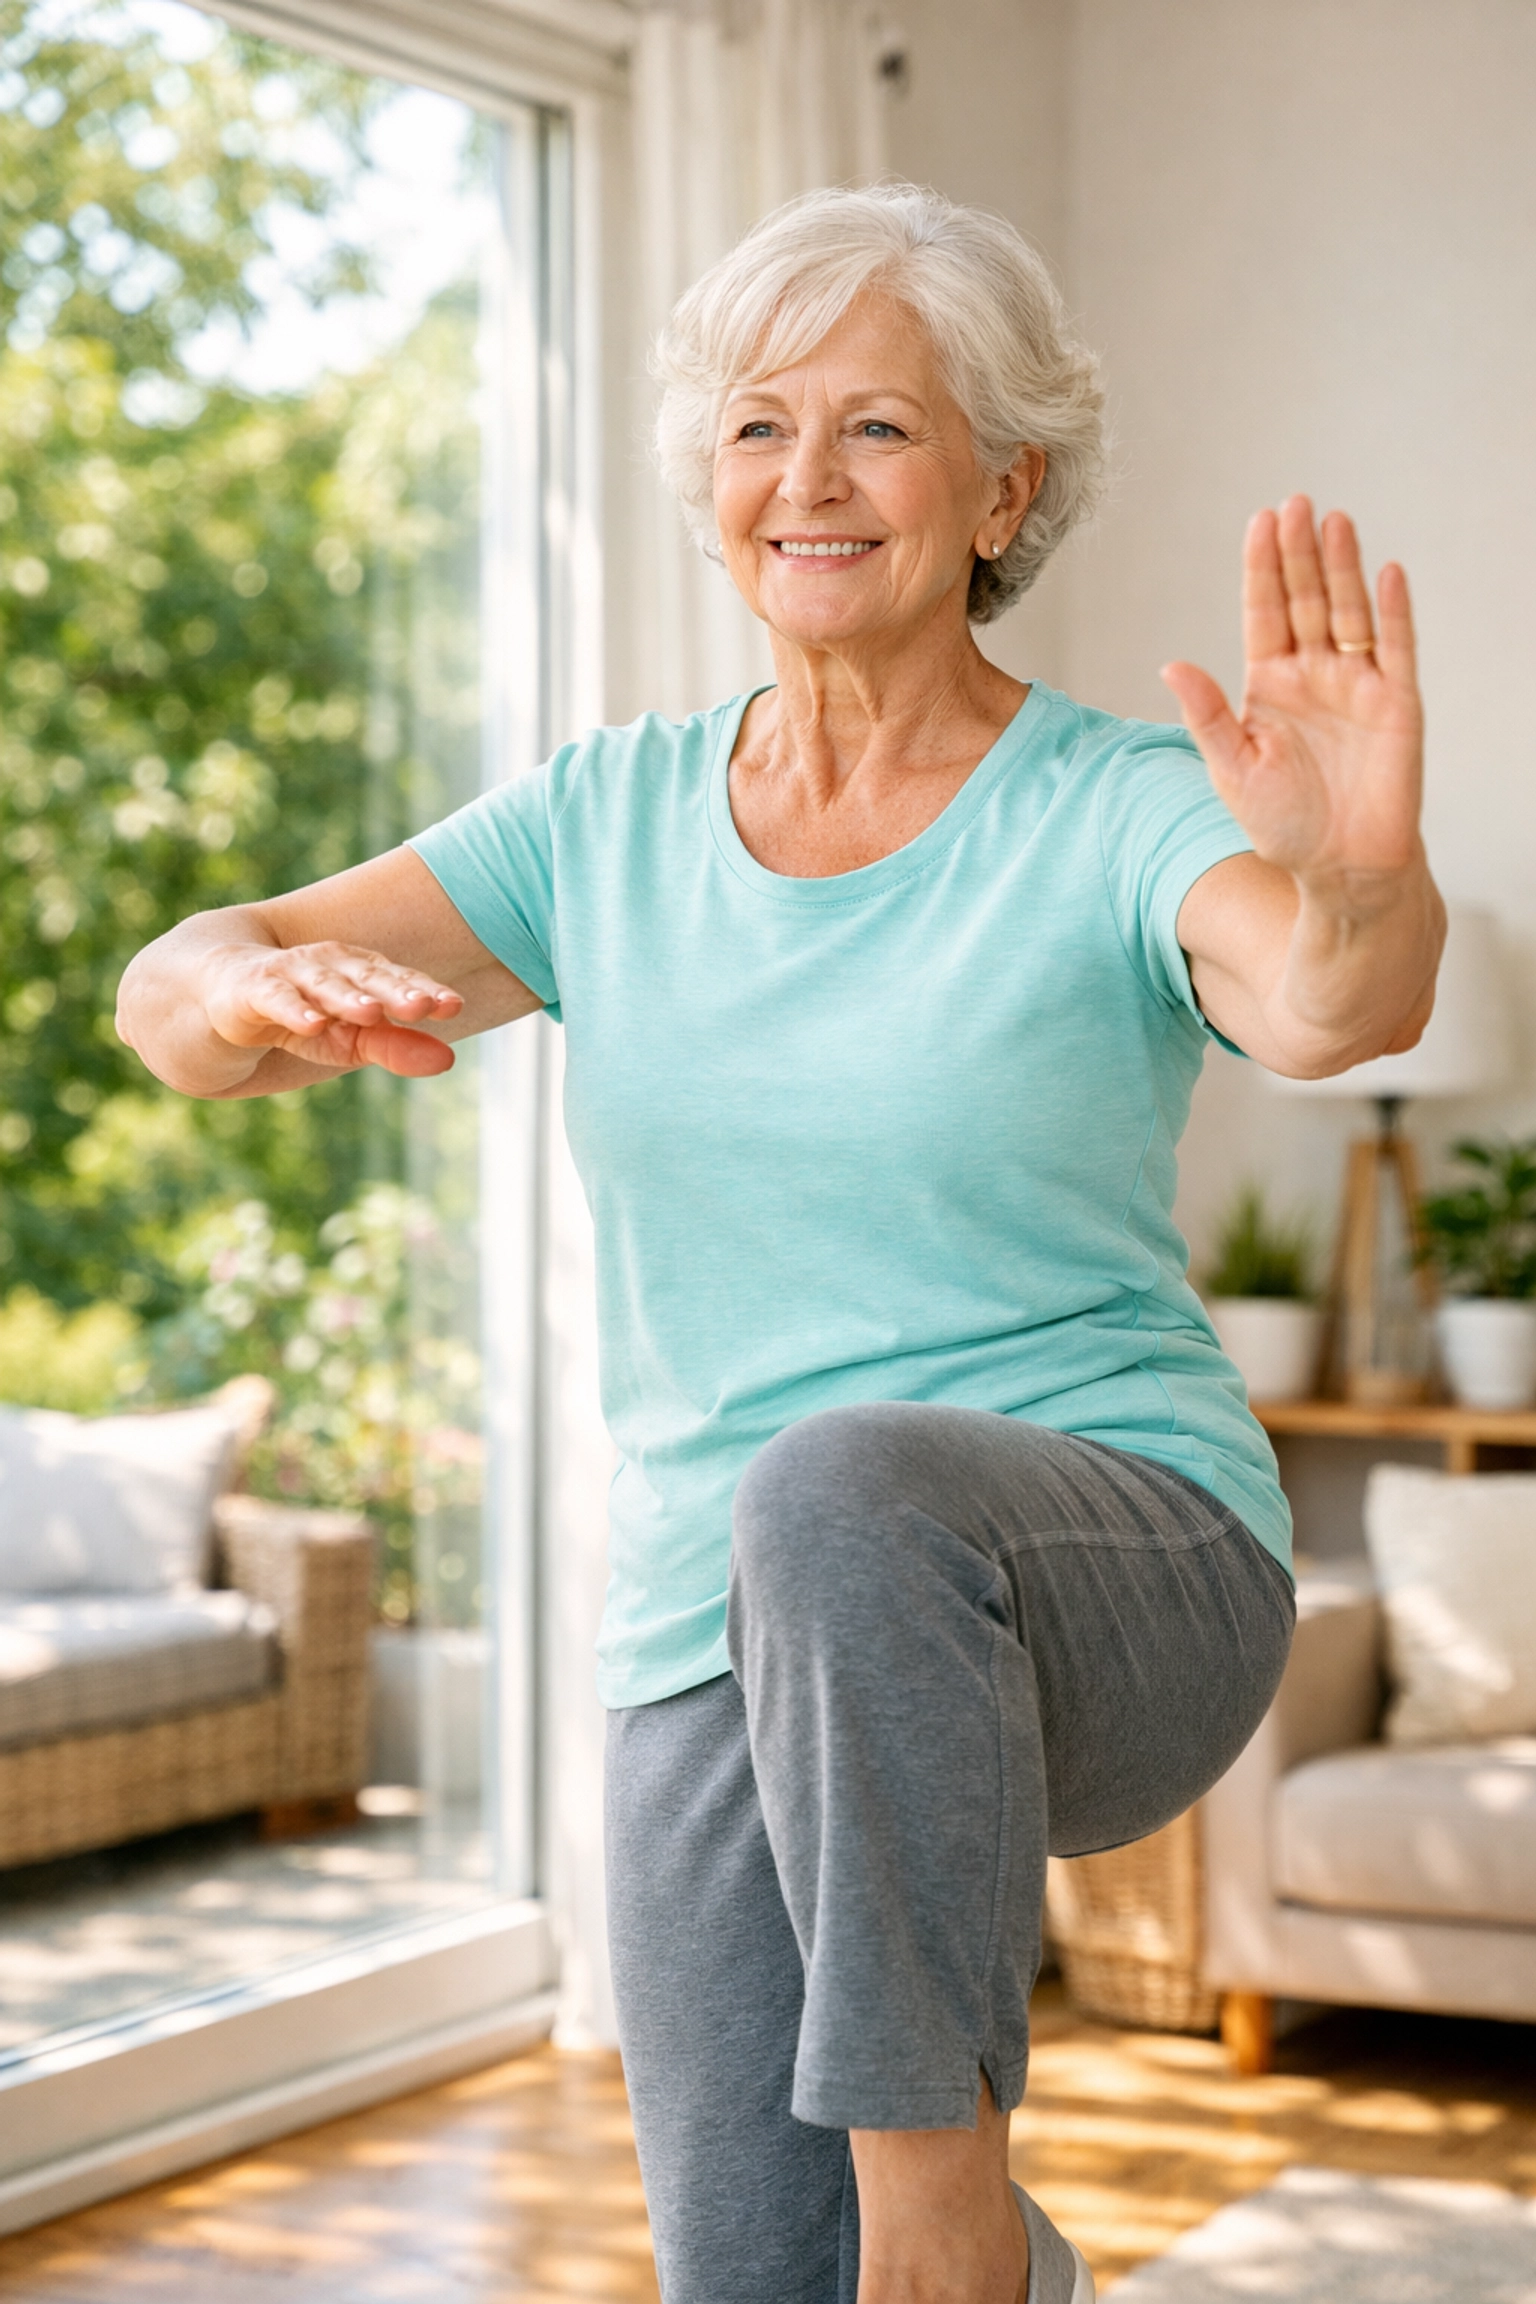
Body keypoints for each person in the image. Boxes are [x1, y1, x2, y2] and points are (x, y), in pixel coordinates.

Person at [118, 183, 1443, 2304]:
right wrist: (229, 994)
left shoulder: (1110, 803)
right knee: (748, 2277)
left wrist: (1362, 872)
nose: (806, 482)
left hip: (1118, 1570)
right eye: (757, 427)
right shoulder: (604, 823)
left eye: (881, 430)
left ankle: (949, 2225)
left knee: (837, 1486)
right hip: (708, 1638)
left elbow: (1330, 1002)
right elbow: (194, 979)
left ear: (1007, 482)